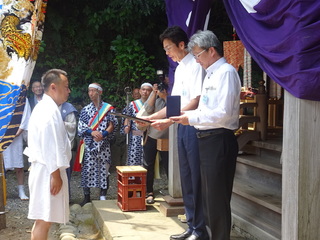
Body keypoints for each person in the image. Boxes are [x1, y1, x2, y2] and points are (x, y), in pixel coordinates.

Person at [169, 30, 241, 240]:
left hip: (218, 137)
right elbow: (203, 108)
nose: (196, 59)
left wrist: (188, 118)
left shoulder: (225, 72)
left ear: (211, 51)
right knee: (207, 197)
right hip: (205, 137)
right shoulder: (209, 72)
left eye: (198, 54)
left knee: (217, 200)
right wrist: (182, 116)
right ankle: (201, 232)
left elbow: (223, 113)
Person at [145, 26, 208, 240]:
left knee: (196, 178)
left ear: (182, 45)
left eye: (169, 47)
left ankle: (200, 228)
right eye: (164, 49)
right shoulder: (180, 68)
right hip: (181, 125)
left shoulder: (197, 65)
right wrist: (151, 117)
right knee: (186, 177)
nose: (167, 52)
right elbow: (174, 104)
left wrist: (168, 119)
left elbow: (196, 101)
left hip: (194, 126)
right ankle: (191, 225)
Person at [27, 69, 72, 240]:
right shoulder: (47, 110)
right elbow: (49, 145)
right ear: (53, 87)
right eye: (66, 87)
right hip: (47, 170)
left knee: (45, 219)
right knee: (44, 220)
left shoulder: (48, 108)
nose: (68, 91)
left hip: (47, 169)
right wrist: (55, 175)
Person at [77, 83, 118, 206]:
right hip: (89, 143)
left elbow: (112, 124)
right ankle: (86, 196)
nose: (91, 93)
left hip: (103, 144)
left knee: (104, 168)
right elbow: (81, 126)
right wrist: (92, 132)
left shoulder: (109, 109)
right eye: (89, 91)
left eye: (93, 91)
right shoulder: (85, 109)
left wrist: (104, 134)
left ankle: (103, 194)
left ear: (100, 92)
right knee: (87, 169)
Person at [142, 82, 169, 204]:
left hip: (168, 137)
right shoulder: (156, 99)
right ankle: (149, 192)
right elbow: (147, 108)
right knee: (148, 164)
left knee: (169, 166)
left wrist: (165, 96)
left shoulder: (173, 96)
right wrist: (154, 92)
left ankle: (173, 191)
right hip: (152, 136)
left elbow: (175, 109)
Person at [3, 98, 31, 200]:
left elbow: (26, 114)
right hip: (2, 134)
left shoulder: (22, 95)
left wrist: (19, 130)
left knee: (18, 164)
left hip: (17, 133)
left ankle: (21, 191)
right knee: (1, 166)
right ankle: (3, 191)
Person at [122, 83, 152, 166]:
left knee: (148, 161)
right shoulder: (132, 104)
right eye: (143, 89)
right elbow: (127, 117)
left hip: (149, 136)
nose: (145, 92)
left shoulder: (153, 104)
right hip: (135, 136)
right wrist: (126, 126)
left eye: (148, 90)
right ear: (140, 91)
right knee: (133, 159)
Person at [59, 101, 78, 199]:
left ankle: (66, 196)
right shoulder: (47, 105)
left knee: (66, 172)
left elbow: (73, 126)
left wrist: (62, 123)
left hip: (65, 144)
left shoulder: (68, 108)